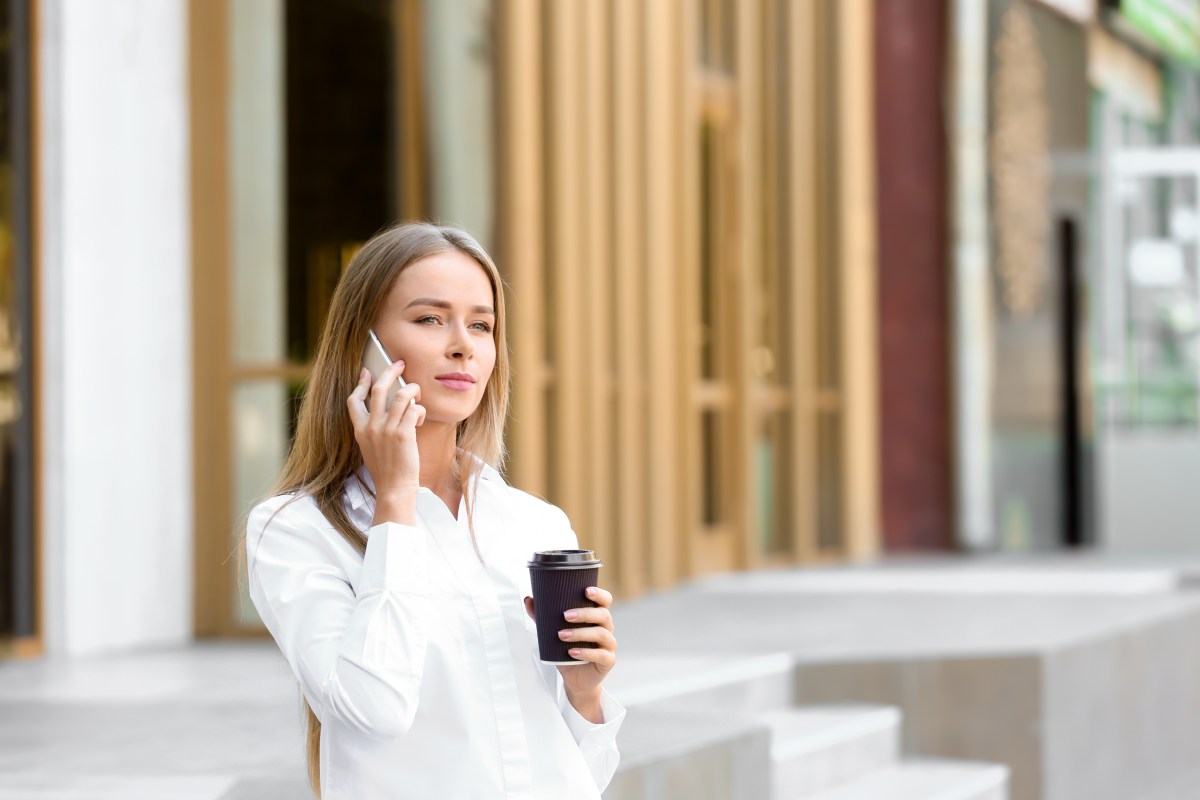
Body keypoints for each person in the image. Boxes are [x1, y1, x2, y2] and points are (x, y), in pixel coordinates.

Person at [242, 222, 624, 799]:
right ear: (362, 345)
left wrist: (585, 695)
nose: (462, 345)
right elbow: (373, 708)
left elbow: (577, 774)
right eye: (428, 319)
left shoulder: (534, 524)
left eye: (481, 325)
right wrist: (396, 503)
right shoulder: (295, 530)